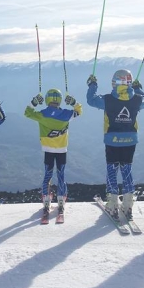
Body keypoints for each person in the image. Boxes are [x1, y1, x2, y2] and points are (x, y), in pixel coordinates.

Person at [86, 70, 144, 220]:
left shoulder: (107, 100)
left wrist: (92, 85)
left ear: (114, 83)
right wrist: (138, 88)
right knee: (127, 169)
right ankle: (128, 205)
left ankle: (112, 204)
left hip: (112, 140)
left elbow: (90, 100)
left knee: (112, 169)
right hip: (130, 140)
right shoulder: (137, 99)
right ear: (130, 83)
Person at [24, 88, 82, 218]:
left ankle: (46, 200)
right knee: (61, 175)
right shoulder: (67, 114)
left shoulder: (42, 114)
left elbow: (27, 113)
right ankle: (61, 200)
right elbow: (79, 111)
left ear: (46, 99)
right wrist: (73, 102)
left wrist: (34, 102)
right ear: (60, 100)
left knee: (47, 175)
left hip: (48, 150)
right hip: (62, 149)